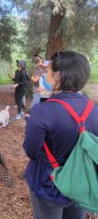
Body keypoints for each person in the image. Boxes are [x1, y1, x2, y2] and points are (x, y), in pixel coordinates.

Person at [23, 51, 98, 219]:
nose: (46, 76)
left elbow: (31, 151)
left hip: (49, 185)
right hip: (80, 184)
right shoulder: (94, 110)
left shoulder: (42, 111)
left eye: (48, 72)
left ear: (57, 75)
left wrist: (31, 125)